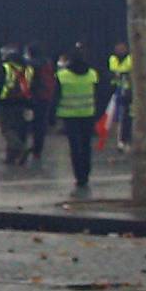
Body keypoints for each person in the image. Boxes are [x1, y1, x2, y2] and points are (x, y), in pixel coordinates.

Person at [56, 45, 100, 196]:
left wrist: (53, 115)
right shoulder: (92, 74)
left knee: (75, 147)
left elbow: (56, 96)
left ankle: (79, 176)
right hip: (88, 113)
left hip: (69, 115)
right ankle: (86, 173)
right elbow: (98, 94)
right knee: (86, 145)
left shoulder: (62, 75)